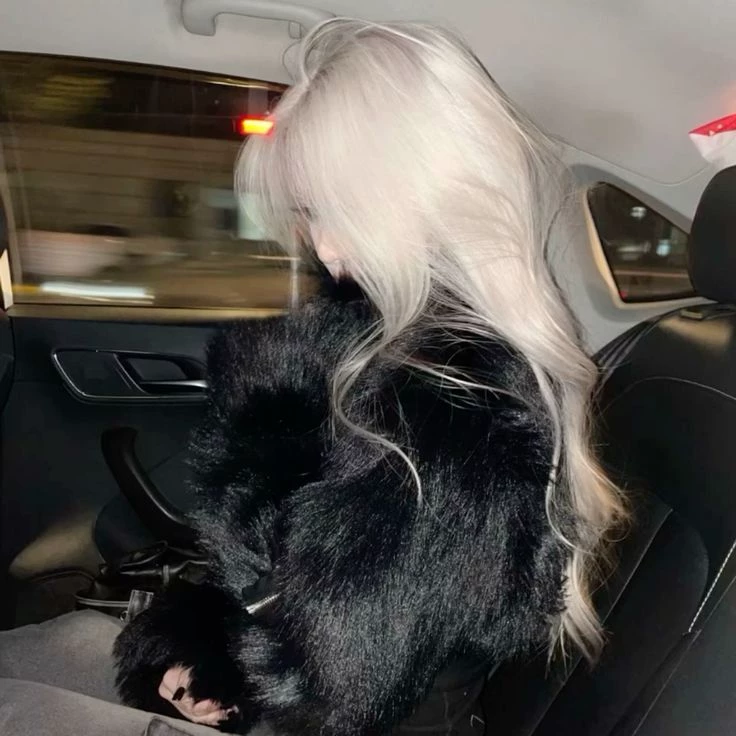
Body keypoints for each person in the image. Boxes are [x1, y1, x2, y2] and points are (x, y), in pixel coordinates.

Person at [0, 18, 624, 736]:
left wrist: (227, 645)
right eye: (309, 214)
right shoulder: (394, 353)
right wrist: (204, 634)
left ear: (423, 199)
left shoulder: (455, 412)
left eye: (336, 211)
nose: (322, 247)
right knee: (57, 647)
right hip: (322, 686)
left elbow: (335, 687)